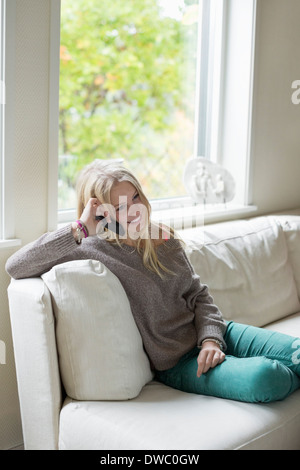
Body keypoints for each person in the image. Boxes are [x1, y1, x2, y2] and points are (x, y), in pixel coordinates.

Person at [6, 160, 300, 403]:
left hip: (218, 333)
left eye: (135, 197)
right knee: (266, 378)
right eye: (120, 206)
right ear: (101, 212)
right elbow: (16, 266)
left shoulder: (163, 237)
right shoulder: (90, 248)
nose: (135, 209)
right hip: (179, 362)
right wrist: (79, 229)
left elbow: (198, 295)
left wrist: (211, 338)